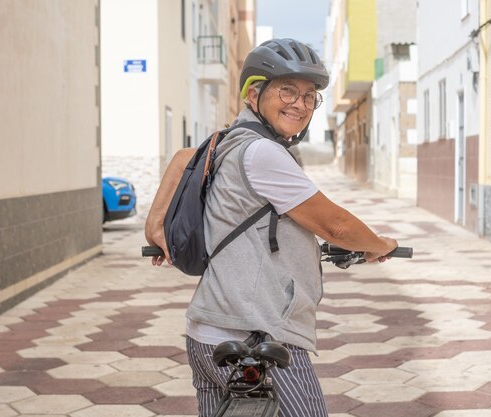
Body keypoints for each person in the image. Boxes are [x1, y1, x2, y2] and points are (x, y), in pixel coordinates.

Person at [145, 38, 397, 417]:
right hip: (255, 339)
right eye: (287, 91)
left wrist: (155, 224)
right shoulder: (262, 153)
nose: (300, 104)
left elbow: (184, 158)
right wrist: (378, 243)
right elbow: (337, 225)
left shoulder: (227, 141)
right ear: (252, 94)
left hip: (206, 334)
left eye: (310, 96)